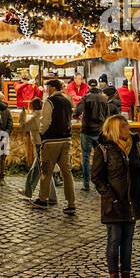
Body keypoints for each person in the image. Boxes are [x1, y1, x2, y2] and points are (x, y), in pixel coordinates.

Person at [91, 115, 140, 278]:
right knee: (114, 241)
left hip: (132, 202)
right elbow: (97, 178)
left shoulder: (134, 146)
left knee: (128, 244)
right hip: (114, 204)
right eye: (124, 126)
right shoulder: (104, 149)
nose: (128, 128)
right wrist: (111, 197)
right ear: (115, 129)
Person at [33, 80, 76, 214]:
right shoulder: (67, 101)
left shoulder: (49, 101)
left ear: (52, 88)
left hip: (51, 141)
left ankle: (43, 198)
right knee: (67, 172)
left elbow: (45, 121)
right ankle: (71, 203)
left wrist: (42, 134)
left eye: (48, 87)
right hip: (66, 140)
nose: (46, 89)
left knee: (46, 170)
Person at [75, 79, 109, 193]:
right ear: (97, 86)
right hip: (100, 132)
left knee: (85, 157)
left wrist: (78, 117)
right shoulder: (104, 98)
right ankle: (100, 182)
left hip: (87, 131)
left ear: (89, 86)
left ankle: (86, 184)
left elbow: (77, 112)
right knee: (101, 158)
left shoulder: (85, 97)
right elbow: (108, 116)